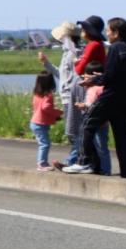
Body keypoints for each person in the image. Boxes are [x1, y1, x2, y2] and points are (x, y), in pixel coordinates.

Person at [63, 18, 126, 178]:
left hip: (111, 97)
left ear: (116, 33)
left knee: (87, 124)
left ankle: (84, 162)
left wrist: (93, 80)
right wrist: (102, 77)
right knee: (124, 137)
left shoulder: (115, 48)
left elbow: (110, 76)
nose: (106, 33)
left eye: (108, 30)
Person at [38, 22, 80, 166]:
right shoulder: (66, 53)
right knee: (72, 132)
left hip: (71, 98)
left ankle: (72, 161)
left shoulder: (74, 53)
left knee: (73, 132)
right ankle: (77, 161)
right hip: (67, 98)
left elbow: (75, 78)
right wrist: (46, 63)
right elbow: (62, 76)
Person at [29, 71, 62, 171]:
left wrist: (54, 115)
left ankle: (43, 163)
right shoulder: (48, 95)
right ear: (51, 82)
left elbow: (41, 109)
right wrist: (58, 112)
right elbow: (46, 108)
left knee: (43, 143)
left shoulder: (36, 94)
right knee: (45, 144)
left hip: (36, 122)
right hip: (40, 123)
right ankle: (42, 164)